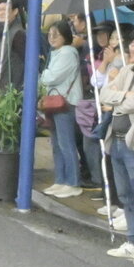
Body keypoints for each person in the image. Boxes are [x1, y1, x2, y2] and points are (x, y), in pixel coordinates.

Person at [101, 34, 134, 263]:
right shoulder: (127, 70)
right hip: (116, 140)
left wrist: (115, 104)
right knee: (126, 194)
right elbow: (104, 93)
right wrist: (124, 95)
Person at [40, 19, 84, 198]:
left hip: (66, 103)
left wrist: (42, 72)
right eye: (50, 34)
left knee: (65, 143)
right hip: (56, 103)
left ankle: (73, 183)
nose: (52, 38)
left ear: (66, 36)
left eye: (56, 34)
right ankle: (60, 180)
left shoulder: (67, 52)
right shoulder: (56, 52)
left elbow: (51, 78)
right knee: (57, 144)